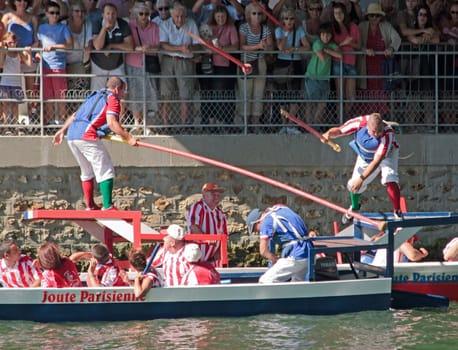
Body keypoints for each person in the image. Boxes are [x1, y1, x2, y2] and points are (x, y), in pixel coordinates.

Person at [52, 76, 138, 211]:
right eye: (123, 91)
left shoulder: (94, 96)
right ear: (117, 89)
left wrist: (62, 130)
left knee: (86, 170)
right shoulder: (113, 99)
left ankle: (91, 205)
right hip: (86, 135)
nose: (124, 94)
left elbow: (75, 115)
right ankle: (108, 206)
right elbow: (112, 122)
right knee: (105, 167)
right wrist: (129, 137)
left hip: (72, 135)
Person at [322, 112, 402, 224]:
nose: (377, 134)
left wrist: (362, 178)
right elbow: (340, 131)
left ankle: (397, 211)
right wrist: (328, 134)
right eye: (374, 131)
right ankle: (354, 207)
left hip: (387, 154)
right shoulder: (359, 123)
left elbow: (377, 161)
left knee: (390, 177)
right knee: (353, 185)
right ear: (367, 126)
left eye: (379, 131)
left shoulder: (387, 135)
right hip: (366, 156)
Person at [246, 204, 314, 283]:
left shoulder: (266, 222)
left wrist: (273, 258)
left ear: (257, 222)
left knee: (265, 281)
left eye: (255, 229)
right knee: (297, 283)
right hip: (309, 251)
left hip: (297, 254)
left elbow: (263, 250)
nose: (257, 232)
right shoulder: (280, 209)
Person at [159, 2, 201, 129]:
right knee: (166, 94)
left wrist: (190, 48)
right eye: (177, 16)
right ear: (171, 15)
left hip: (185, 61)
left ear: (186, 16)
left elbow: (197, 44)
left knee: (185, 94)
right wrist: (180, 48)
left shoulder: (191, 24)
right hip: (168, 60)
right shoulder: (164, 24)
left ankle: (184, 124)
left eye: (182, 16)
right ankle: (166, 123)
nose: (179, 19)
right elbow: (163, 45)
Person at [357, 2, 401, 116]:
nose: (374, 18)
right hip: (366, 64)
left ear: (381, 16)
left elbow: (397, 38)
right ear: (368, 16)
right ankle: (368, 118)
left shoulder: (386, 26)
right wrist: (365, 50)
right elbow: (356, 44)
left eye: (377, 15)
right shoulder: (361, 26)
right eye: (372, 15)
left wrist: (391, 48)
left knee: (382, 89)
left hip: (382, 65)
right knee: (367, 90)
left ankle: (380, 117)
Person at [237, 2, 274, 133]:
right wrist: (257, 46)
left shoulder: (266, 29)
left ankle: (256, 124)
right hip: (246, 62)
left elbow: (271, 47)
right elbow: (241, 46)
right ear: (248, 15)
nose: (256, 16)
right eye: (254, 13)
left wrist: (267, 46)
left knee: (258, 94)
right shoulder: (243, 28)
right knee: (245, 93)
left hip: (260, 62)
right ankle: (245, 124)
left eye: (259, 13)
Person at [36, 1, 73, 125]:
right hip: (45, 65)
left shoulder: (64, 27)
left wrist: (54, 47)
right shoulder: (41, 28)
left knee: (60, 95)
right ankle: (50, 121)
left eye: (57, 13)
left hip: (58, 66)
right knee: (48, 96)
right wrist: (34, 50)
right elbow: (38, 44)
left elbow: (70, 45)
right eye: (52, 13)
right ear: (46, 14)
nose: (55, 15)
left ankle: (62, 121)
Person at [126, 1, 160, 134]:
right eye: (141, 14)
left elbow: (158, 45)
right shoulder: (130, 26)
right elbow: (127, 44)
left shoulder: (155, 26)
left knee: (149, 92)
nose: (144, 16)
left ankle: (146, 124)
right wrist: (138, 48)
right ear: (136, 15)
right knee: (135, 93)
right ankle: (136, 123)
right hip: (133, 62)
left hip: (149, 63)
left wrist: (148, 48)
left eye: (146, 14)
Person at [206, 4, 239, 129]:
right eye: (218, 16)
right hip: (210, 65)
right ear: (214, 16)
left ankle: (226, 121)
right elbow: (206, 45)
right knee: (214, 94)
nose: (220, 19)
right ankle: (214, 121)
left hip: (226, 66)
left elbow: (235, 46)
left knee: (227, 93)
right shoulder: (209, 27)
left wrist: (222, 49)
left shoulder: (231, 27)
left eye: (223, 16)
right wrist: (215, 50)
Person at [273, 7, 310, 117]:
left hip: (296, 63)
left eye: (291, 18)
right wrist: (286, 33)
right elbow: (280, 47)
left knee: (295, 95)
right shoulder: (278, 30)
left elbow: (307, 46)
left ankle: (290, 125)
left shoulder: (299, 30)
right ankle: (283, 125)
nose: (289, 21)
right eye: (286, 18)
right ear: (282, 19)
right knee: (282, 96)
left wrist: (295, 49)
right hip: (282, 64)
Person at [90, 3, 133, 91]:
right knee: (97, 95)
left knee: (120, 92)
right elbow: (98, 46)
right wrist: (104, 28)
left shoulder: (123, 24)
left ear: (116, 14)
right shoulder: (97, 23)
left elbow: (130, 47)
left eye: (113, 13)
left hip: (116, 65)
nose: (110, 16)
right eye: (108, 13)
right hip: (98, 64)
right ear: (103, 15)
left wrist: (111, 46)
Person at [304, 22, 341, 125]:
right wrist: (329, 52)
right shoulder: (317, 43)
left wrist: (327, 50)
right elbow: (322, 58)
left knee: (322, 104)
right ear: (320, 35)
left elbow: (339, 55)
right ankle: (308, 124)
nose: (326, 37)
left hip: (325, 79)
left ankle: (316, 124)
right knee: (310, 103)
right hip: (312, 77)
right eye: (323, 34)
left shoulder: (331, 44)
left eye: (328, 34)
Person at [331, 1, 361, 116]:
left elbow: (358, 45)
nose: (338, 15)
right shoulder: (332, 28)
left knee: (351, 96)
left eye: (340, 13)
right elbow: (330, 47)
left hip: (351, 63)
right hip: (338, 63)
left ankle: (345, 119)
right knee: (340, 95)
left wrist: (350, 43)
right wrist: (345, 43)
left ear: (345, 13)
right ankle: (339, 121)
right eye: (335, 13)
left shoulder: (353, 27)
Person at [0, 31, 33, 134]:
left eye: (13, 42)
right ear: (5, 42)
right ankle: (6, 126)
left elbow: (29, 64)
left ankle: (15, 125)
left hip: (16, 83)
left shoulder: (19, 53)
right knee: (5, 104)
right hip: (6, 82)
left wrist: (29, 54)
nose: (12, 44)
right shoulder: (4, 52)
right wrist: (3, 53)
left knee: (15, 105)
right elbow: (1, 65)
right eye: (9, 43)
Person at [187, 183, 228, 264]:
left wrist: (218, 255)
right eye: (213, 193)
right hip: (196, 259)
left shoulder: (220, 213)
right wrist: (206, 239)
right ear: (204, 194)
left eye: (218, 194)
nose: (216, 196)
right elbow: (194, 226)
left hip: (212, 261)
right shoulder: (198, 207)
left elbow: (224, 236)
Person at [66, 0, 93, 94]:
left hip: (82, 65)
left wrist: (89, 47)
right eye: (77, 11)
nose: (80, 14)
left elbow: (89, 41)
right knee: (66, 95)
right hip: (66, 65)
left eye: (82, 11)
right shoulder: (64, 25)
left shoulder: (87, 24)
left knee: (81, 95)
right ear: (71, 13)